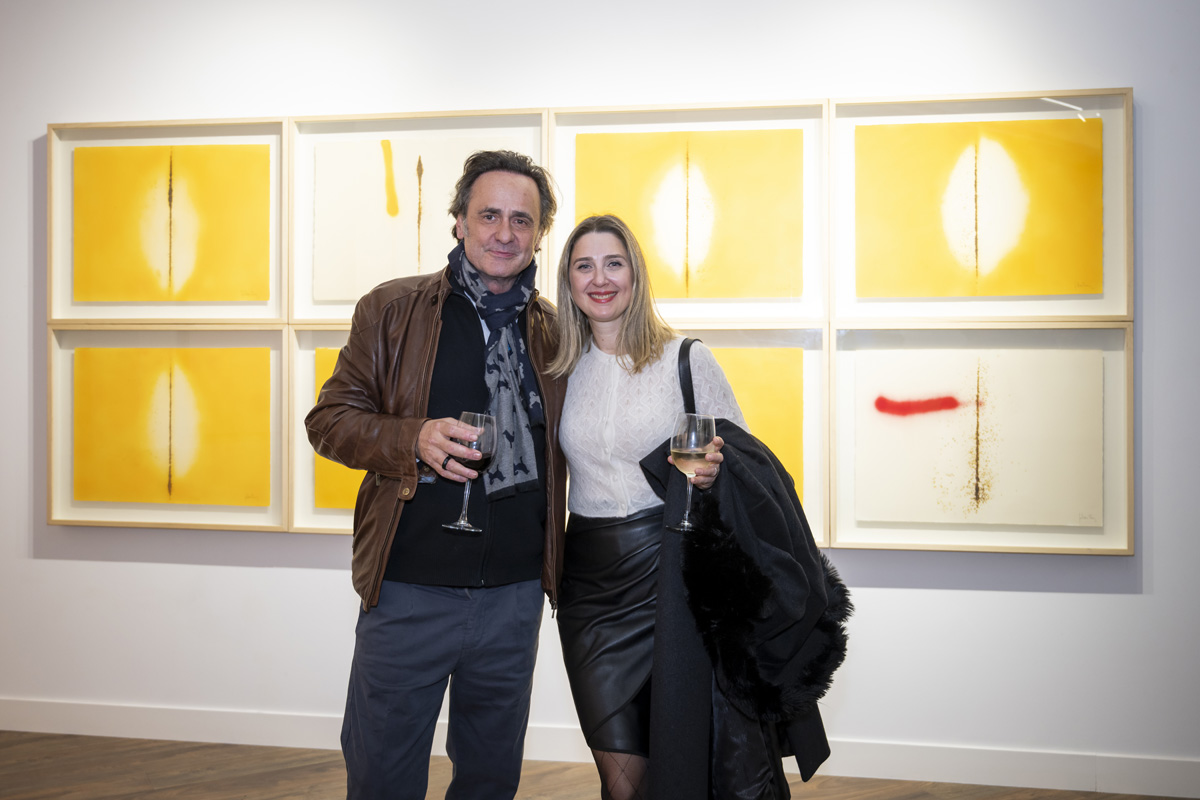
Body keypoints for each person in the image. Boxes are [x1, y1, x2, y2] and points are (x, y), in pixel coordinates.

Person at [305, 150, 567, 800]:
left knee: (490, 781)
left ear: (539, 233)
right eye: (488, 215)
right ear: (458, 221)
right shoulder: (391, 309)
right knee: (382, 778)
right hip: (407, 591)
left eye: (521, 220)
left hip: (513, 598)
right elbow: (329, 421)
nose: (504, 233)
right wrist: (411, 438)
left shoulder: (559, 335)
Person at [547, 214, 744, 800]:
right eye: (584, 266)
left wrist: (714, 469)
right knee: (620, 776)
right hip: (589, 586)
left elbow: (741, 458)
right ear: (568, 281)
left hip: (670, 573)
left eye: (614, 263)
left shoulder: (685, 358)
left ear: (635, 273)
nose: (599, 279)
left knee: (676, 763)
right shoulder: (559, 368)